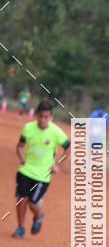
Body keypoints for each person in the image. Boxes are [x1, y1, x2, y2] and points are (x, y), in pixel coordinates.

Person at [13, 100, 70, 238]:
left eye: (46, 117)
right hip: (26, 170)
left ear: (51, 117)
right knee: (21, 199)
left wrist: (58, 165)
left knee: (32, 203)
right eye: (41, 116)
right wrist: (21, 156)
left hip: (43, 175)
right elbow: (20, 146)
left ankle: (39, 215)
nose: (43, 120)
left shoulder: (56, 132)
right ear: (36, 115)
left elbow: (69, 148)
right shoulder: (28, 128)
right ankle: (20, 228)